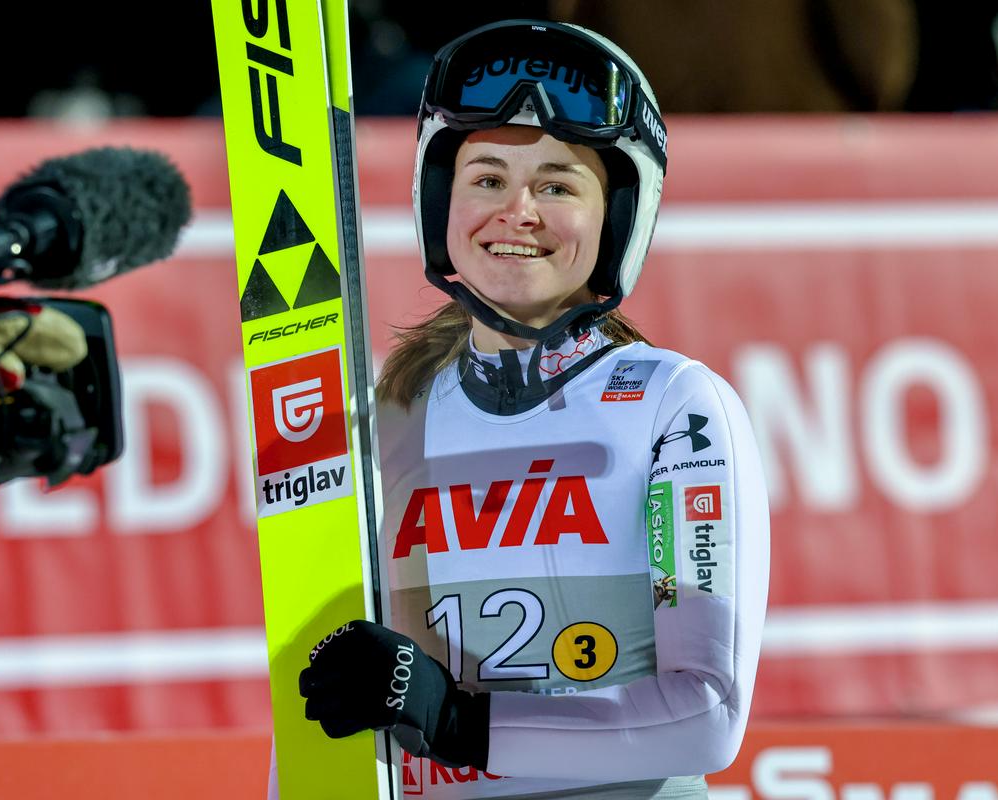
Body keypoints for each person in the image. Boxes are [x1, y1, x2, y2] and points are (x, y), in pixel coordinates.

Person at [297, 19, 770, 799]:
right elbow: (322, 707)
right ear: (440, 203)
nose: (517, 209)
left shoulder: (673, 406)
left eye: (556, 184)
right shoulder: (384, 420)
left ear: (617, 217)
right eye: (487, 178)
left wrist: (457, 721)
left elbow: (707, 712)